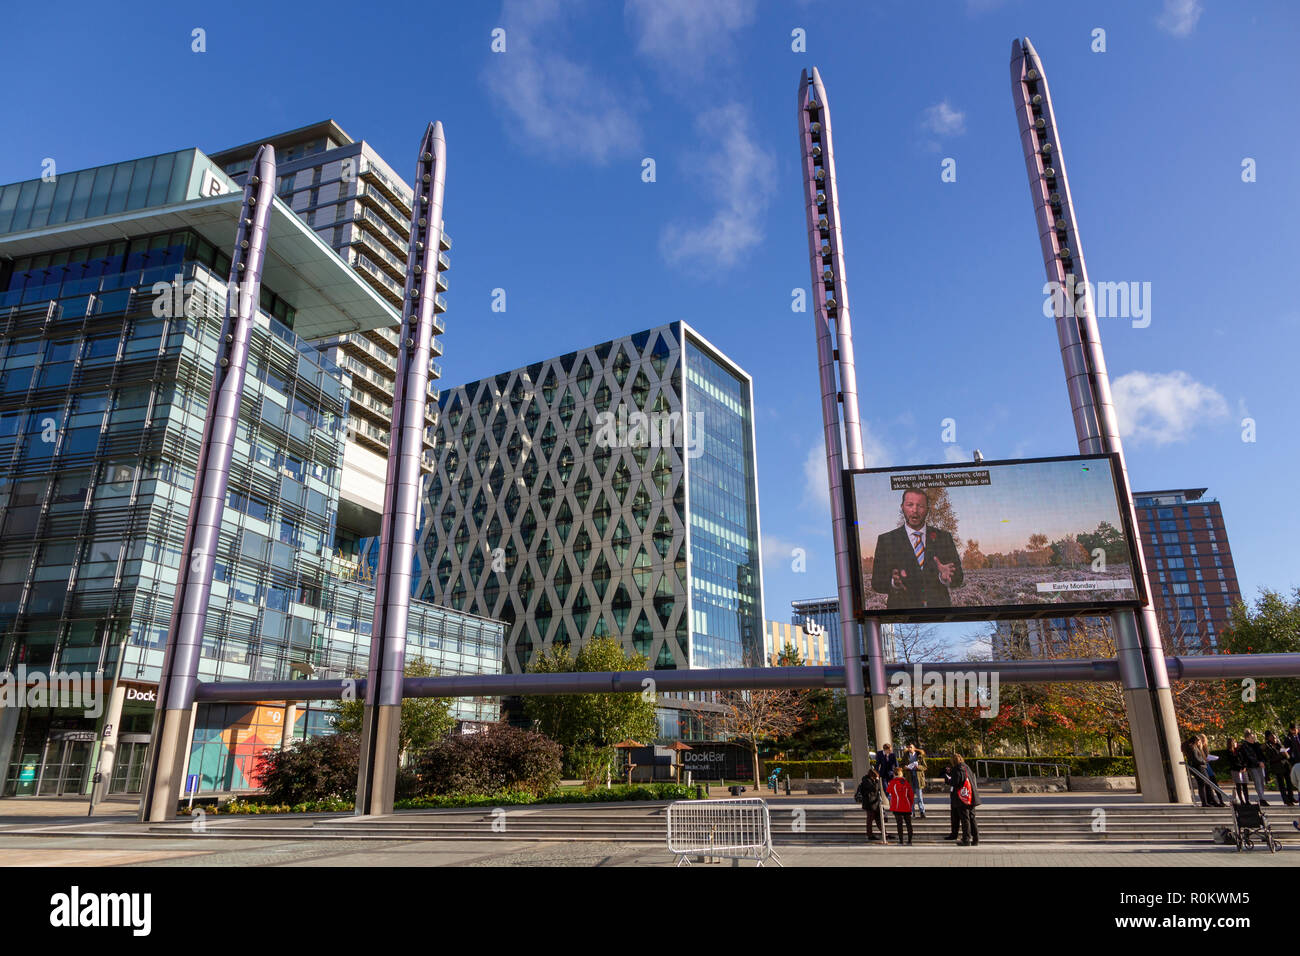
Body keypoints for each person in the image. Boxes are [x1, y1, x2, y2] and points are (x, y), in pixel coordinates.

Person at [869, 488, 964, 609]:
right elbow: (876, 583)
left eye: (920, 506)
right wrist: (894, 582)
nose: (915, 510)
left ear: (927, 510)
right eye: (910, 505)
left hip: (939, 612)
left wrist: (944, 578)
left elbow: (958, 578)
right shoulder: (886, 540)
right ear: (902, 507)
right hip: (902, 614)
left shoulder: (944, 538)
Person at [949, 753, 979, 846]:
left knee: (965, 819)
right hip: (971, 797)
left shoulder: (957, 768)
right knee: (972, 818)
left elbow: (956, 782)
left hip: (962, 798)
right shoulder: (966, 767)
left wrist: (948, 779)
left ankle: (966, 839)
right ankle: (976, 838)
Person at [1183, 735, 1215, 808]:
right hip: (1199, 768)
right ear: (1195, 741)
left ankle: (1206, 802)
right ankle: (1205, 802)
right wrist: (1204, 761)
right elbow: (1196, 759)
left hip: (1199, 768)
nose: (1199, 743)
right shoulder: (1193, 748)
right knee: (1202, 785)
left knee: (1202, 785)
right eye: (1199, 741)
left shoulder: (1192, 747)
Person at [886, 767, 915, 845]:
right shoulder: (906, 782)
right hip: (906, 805)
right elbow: (911, 795)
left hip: (897, 806)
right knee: (909, 824)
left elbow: (888, 791)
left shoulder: (892, 782)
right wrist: (910, 804)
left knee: (899, 824)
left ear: (894, 774)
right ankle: (909, 841)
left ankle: (901, 841)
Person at [1264, 731, 1294, 806]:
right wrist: (1281, 755)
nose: (1274, 739)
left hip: (1285, 766)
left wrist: (1286, 754)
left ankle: (1291, 797)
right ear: (1268, 738)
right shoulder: (1268, 747)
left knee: (1289, 783)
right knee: (1281, 785)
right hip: (1277, 767)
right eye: (1272, 737)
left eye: (1275, 737)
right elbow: (1270, 759)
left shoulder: (1279, 745)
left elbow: (1287, 755)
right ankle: (1286, 800)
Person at [854, 769, 884, 843]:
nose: (876, 778)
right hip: (870, 804)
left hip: (874, 803)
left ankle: (884, 833)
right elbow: (874, 789)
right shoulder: (867, 781)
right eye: (876, 776)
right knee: (870, 820)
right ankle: (870, 835)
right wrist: (877, 781)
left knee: (878, 819)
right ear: (872, 775)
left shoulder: (869, 780)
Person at [1241, 730, 1269, 805]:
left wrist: (1263, 761)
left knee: (1262, 781)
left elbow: (1261, 754)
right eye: (1252, 737)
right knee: (1257, 781)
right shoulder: (1245, 746)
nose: (1253, 738)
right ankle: (1262, 798)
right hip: (1252, 766)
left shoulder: (1256, 745)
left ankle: (1262, 797)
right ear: (1247, 738)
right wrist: (1258, 762)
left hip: (1260, 765)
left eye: (1253, 737)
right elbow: (1249, 756)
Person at [1198, 733, 1226, 806]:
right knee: (1208, 785)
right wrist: (1203, 754)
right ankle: (1211, 801)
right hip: (1204, 767)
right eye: (1202, 739)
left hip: (1208, 767)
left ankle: (1221, 800)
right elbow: (1203, 758)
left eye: (1204, 739)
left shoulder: (1206, 747)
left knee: (1215, 784)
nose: (1203, 740)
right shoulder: (1199, 748)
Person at [904, 743, 927, 818]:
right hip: (910, 778)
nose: (909, 748)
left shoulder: (919, 756)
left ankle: (922, 812)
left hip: (918, 778)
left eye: (911, 747)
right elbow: (901, 765)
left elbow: (925, 767)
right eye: (908, 747)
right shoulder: (906, 756)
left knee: (919, 797)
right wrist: (905, 767)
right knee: (911, 797)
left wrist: (918, 767)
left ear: (914, 748)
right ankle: (912, 812)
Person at [1226, 737, 1250, 804]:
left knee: (1245, 785)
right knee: (1238, 785)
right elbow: (1232, 762)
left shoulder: (1239, 750)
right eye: (1234, 742)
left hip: (1243, 769)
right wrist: (1239, 768)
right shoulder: (1229, 752)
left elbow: (1244, 759)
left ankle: (1247, 800)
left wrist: (1244, 766)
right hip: (1236, 770)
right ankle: (1241, 800)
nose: (1236, 743)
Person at [942, 759, 960, 839]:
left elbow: (956, 782)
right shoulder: (959, 769)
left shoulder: (958, 770)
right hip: (955, 796)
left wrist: (950, 780)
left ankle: (959, 834)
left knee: (958, 817)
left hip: (958, 797)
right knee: (954, 817)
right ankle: (954, 834)